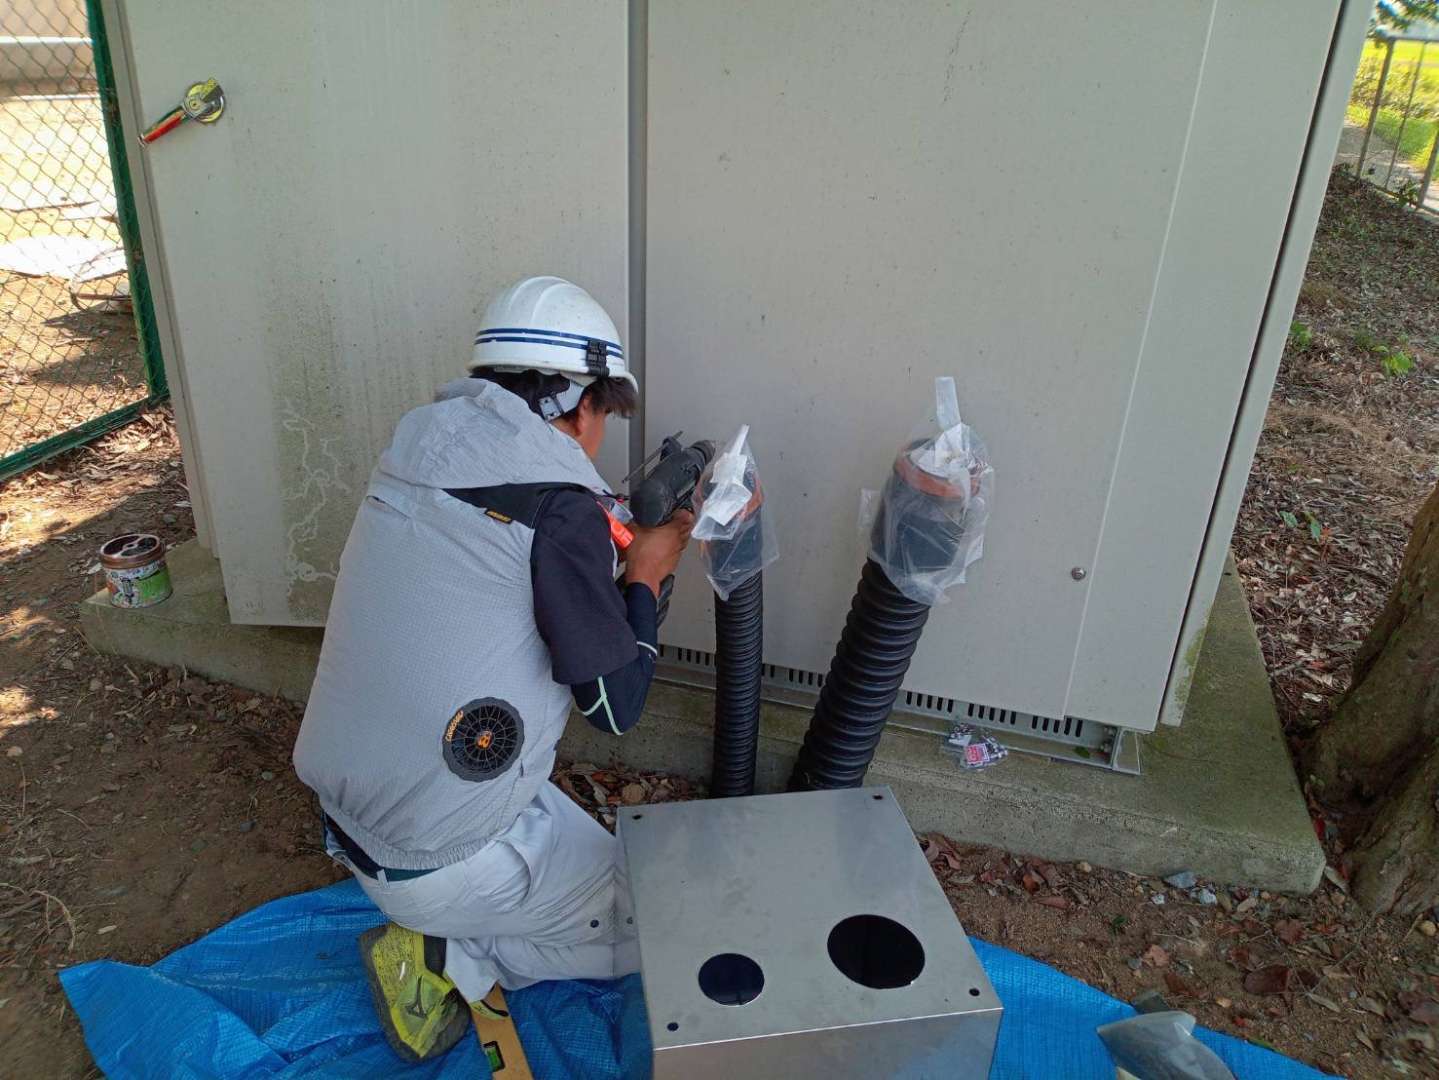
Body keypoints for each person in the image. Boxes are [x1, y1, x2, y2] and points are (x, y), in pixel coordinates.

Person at [292, 275, 693, 1063]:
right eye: (604, 416)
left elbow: (509, 563)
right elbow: (615, 706)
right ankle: (449, 958)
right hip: (432, 855)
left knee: (595, 855)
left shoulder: (418, 450)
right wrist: (646, 574)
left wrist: (599, 544)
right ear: (579, 402)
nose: (598, 437)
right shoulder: (560, 512)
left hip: (359, 802)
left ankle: (452, 919)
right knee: (655, 929)